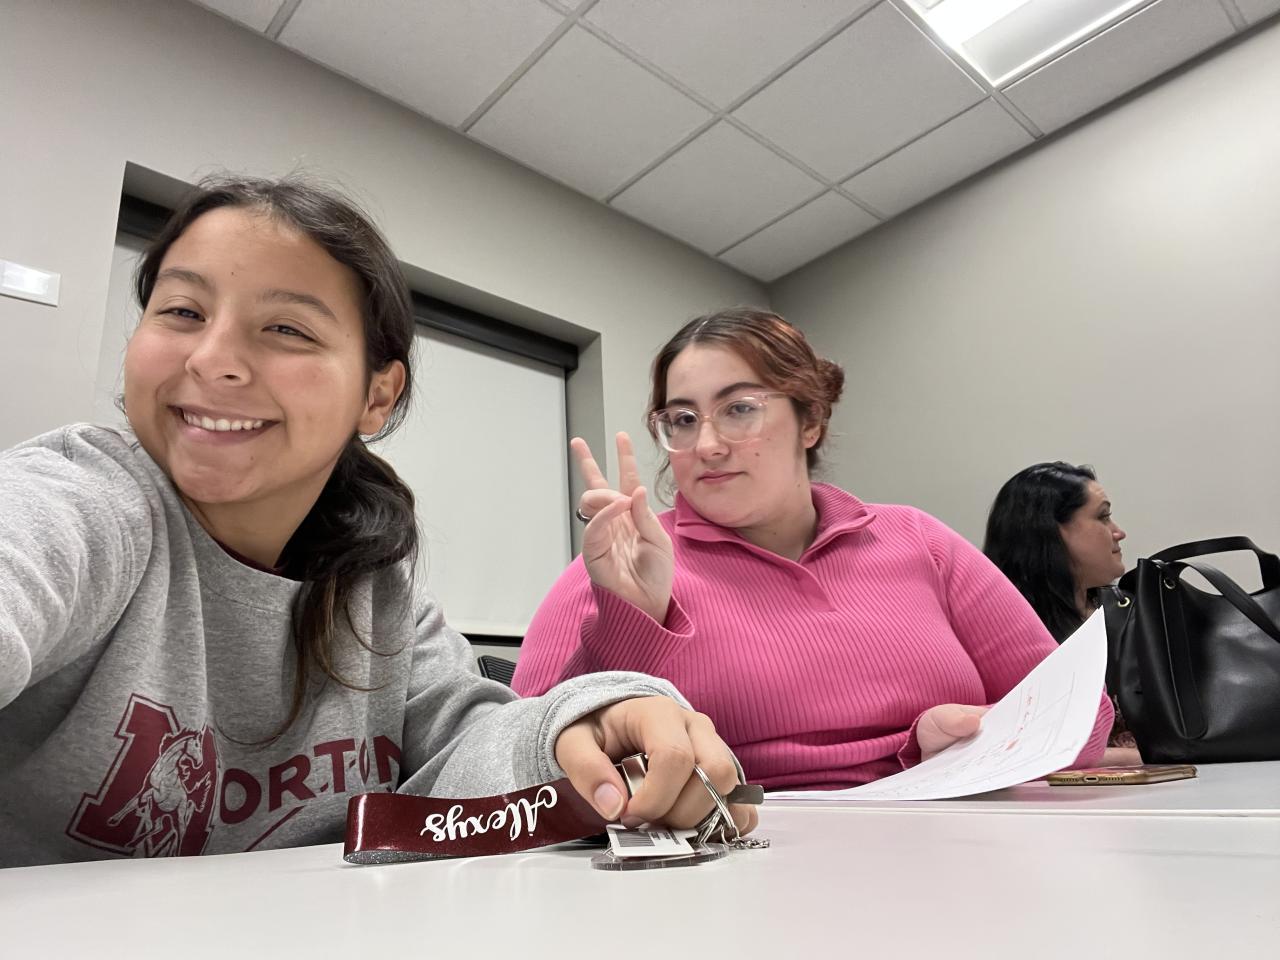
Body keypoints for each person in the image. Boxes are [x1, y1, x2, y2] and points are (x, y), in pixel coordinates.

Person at [0, 176, 754, 868]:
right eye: (182, 312)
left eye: (286, 328)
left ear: (377, 395)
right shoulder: (88, 498)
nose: (212, 358)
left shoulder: (378, 591)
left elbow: (469, 743)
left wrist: (582, 727)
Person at [512, 308, 1113, 791]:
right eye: (684, 419)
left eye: (739, 409)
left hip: (944, 840)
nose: (708, 445)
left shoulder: (918, 539)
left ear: (811, 421)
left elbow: (1079, 720)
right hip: (729, 855)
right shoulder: (619, 561)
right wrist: (627, 618)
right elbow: (518, 767)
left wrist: (950, 746)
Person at [984, 462, 1140, 763]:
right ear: (1048, 531)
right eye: (1103, 516)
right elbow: (1021, 750)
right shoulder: (1000, 633)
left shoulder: (1130, 613)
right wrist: (1142, 757)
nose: (1118, 532)